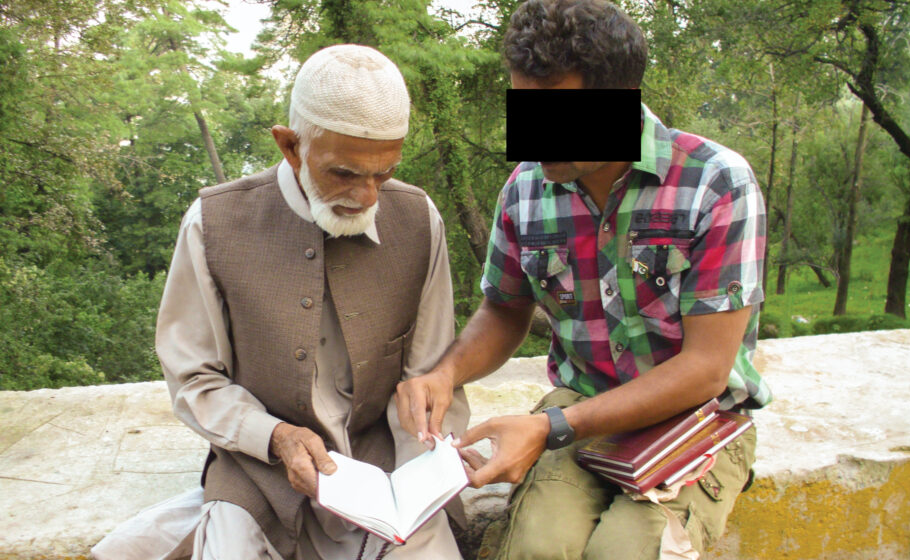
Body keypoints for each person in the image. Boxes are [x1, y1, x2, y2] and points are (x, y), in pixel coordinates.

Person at [395, 1, 772, 558]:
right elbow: (504, 310)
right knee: (533, 549)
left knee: (625, 551)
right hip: (579, 404)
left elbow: (705, 370)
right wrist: (446, 373)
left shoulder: (715, 183)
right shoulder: (524, 191)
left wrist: (548, 428)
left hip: (694, 422)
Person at [111, 44, 469, 560]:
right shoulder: (214, 223)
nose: (368, 197)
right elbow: (195, 379)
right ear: (290, 146)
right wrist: (273, 436)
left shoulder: (417, 219)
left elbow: (429, 375)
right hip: (260, 468)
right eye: (344, 173)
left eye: (383, 175)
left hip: (386, 466)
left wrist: (417, 489)